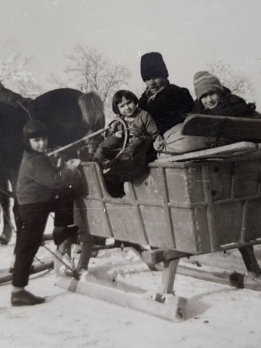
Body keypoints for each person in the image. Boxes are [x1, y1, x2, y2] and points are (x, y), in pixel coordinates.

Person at [11, 120, 81, 307]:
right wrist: (70, 169)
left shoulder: (35, 156)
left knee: (65, 195)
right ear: (28, 141)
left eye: (43, 139)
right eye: (36, 140)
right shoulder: (35, 160)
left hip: (36, 202)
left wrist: (62, 168)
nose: (42, 144)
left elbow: (49, 176)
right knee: (29, 245)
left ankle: (62, 229)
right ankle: (17, 292)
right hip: (33, 206)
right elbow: (54, 181)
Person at [94, 90, 164, 170]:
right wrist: (115, 135)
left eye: (129, 103)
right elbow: (109, 135)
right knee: (108, 142)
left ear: (134, 102)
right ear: (118, 109)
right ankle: (99, 161)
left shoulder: (144, 115)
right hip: (122, 145)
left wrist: (157, 140)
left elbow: (154, 133)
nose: (127, 107)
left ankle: (117, 164)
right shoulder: (118, 120)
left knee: (137, 141)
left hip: (139, 145)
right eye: (122, 106)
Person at [138, 52, 194, 135]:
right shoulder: (142, 101)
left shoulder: (179, 94)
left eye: (155, 77)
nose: (151, 83)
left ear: (164, 75)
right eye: (147, 78)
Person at [191, 71, 261, 118]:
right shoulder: (196, 111)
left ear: (219, 93)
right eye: (204, 96)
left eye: (212, 94)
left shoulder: (234, 103)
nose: (209, 100)